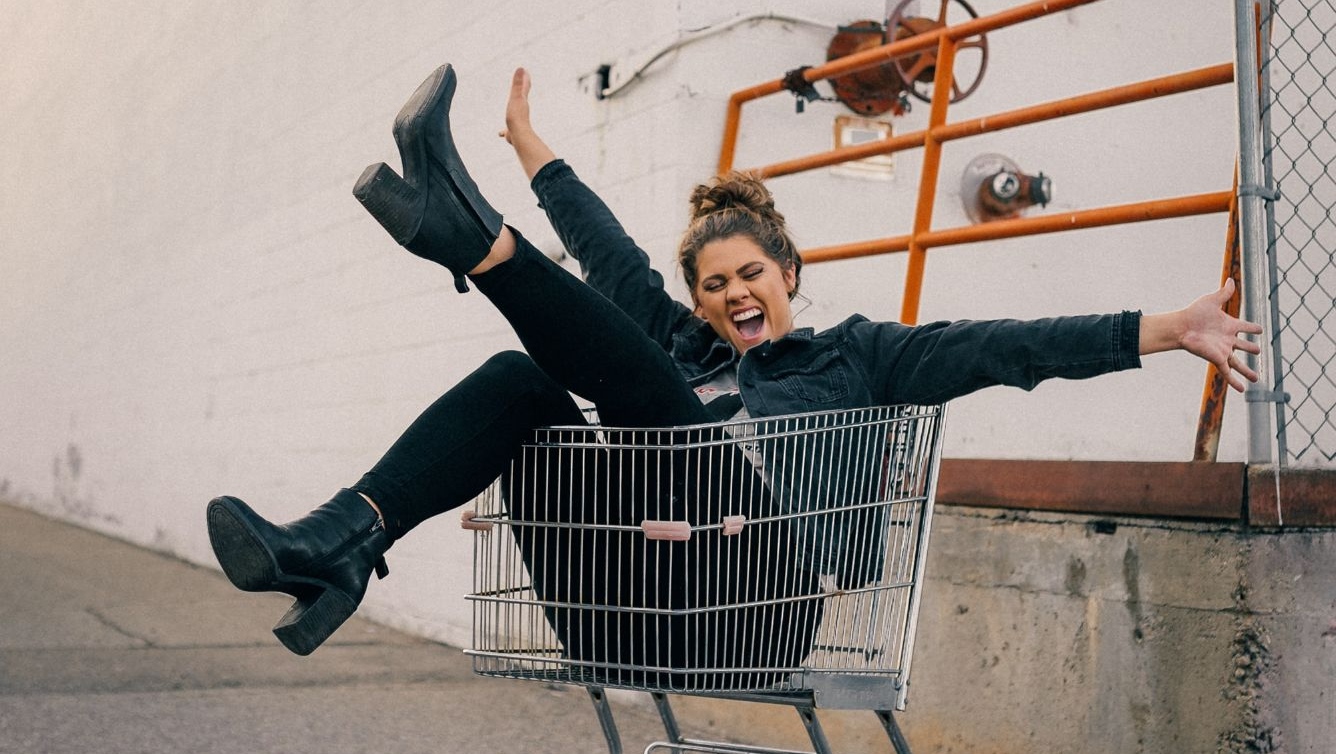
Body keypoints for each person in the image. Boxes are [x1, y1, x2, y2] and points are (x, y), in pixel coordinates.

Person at [205, 65, 1263, 682]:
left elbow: (1005, 346)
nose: (730, 296)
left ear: (787, 271)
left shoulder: (860, 358)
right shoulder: (679, 345)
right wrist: (533, 147)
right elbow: (608, 252)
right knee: (523, 379)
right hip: (623, 604)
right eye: (711, 285)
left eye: (748, 274)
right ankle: (338, 543)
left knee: (650, 400)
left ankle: (469, 239)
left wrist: (1166, 325)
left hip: (760, 611)